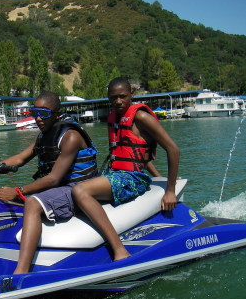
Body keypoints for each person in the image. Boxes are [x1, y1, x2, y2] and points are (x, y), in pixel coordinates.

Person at [72, 77, 180, 261]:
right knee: (72, 186)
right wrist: (158, 176)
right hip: (116, 173)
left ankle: (119, 250)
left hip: (133, 179)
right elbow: (134, 154)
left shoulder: (141, 117)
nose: (118, 101)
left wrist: (169, 190)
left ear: (132, 94)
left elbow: (173, 149)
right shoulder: (114, 117)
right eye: (113, 97)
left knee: (80, 191)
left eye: (123, 96)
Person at [0, 91, 98, 274]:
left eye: (44, 114)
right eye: (35, 112)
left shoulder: (70, 136)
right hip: (56, 189)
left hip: (76, 189)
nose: (38, 118)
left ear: (56, 114)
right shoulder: (42, 135)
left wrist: (19, 191)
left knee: (31, 202)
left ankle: (22, 271)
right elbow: (20, 159)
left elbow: (54, 178)